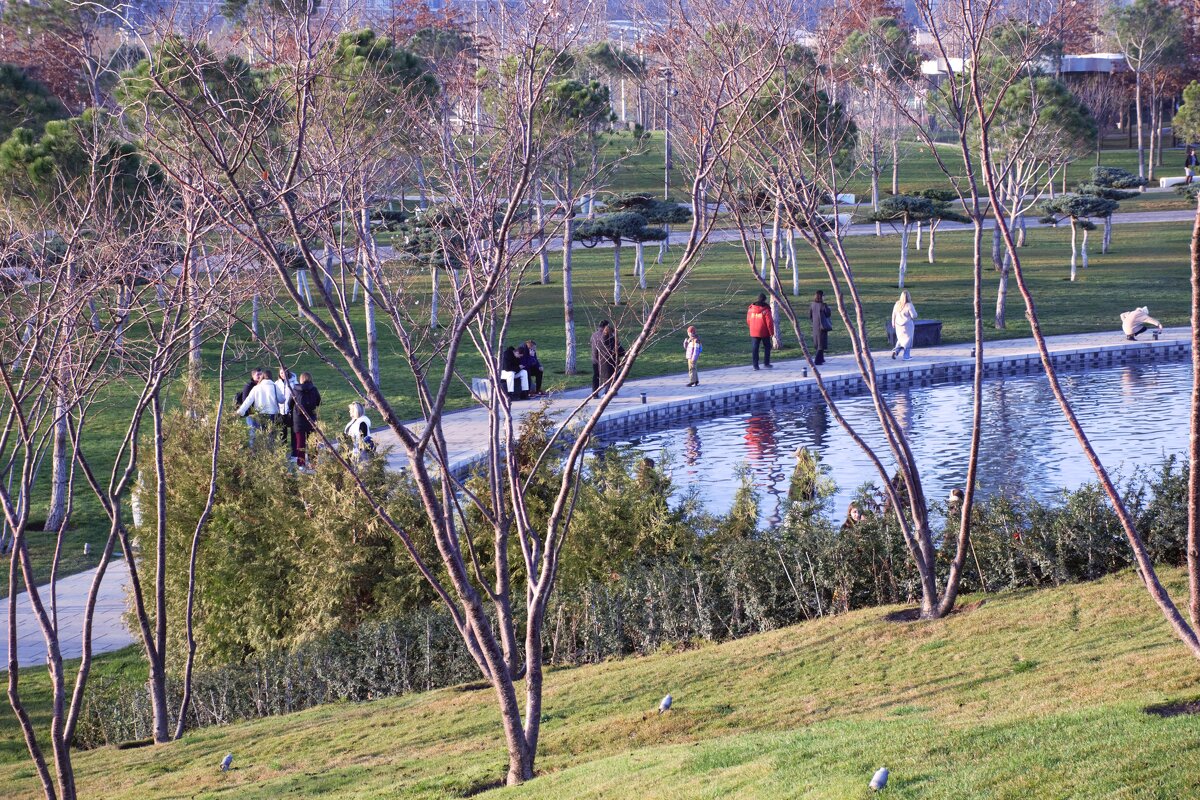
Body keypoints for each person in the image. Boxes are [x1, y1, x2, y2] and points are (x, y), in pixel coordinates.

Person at [236, 368, 282, 444]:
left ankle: (262, 453)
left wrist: (240, 411)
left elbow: (248, 400)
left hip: (259, 413)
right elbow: (246, 400)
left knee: (262, 435)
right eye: (258, 374)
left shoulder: (257, 387)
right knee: (262, 435)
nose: (260, 376)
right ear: (253, 375)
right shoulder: (272, 386)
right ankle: (261, 453)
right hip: (258, 414)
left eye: (261, 374)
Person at [291, 372, 321, 468]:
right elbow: (318, 402)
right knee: (312, 442)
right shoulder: (314, 389)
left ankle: (301, 463)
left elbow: (289, 403)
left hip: (298, 420)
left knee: (300, 443)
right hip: (311, 418)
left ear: (301, 379)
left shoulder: (295, 390)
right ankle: (313, 463)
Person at [746, 292, 774, 370]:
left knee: (755, 348)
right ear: (765, 300)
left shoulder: (751, 309)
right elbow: (769, 323)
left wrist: (751, 327)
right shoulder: (766, 310)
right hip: (764, 332)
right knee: (767, 347)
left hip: (754, 331)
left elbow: (748, 320)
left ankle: (755, 365)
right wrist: (771, 333)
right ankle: (766, 363)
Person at [274, 367, 300, 452]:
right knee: (282, 432)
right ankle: (283, 451)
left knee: (293, 432)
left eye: (284, 373)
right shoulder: (276, 383)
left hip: (291, 411)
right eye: (281, 373)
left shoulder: (294, 383)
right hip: (280, 412)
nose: (283, 375)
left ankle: (294, 452)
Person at [890, 290, 918, 361]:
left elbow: (894, 314)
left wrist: (893, 322)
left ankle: (895, 351)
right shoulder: (909, 305)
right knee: (908, 340)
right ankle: (906, 356)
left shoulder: (897, 304)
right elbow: (914, 315)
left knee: (900, 339)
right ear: (908, 296)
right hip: (907, 325)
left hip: (898, 325)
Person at [810, 290, 832, 365]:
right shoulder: (823, 305)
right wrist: (829, 308)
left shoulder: (812, 304)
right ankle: (817, 360)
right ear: (821, 296)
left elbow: (810, 316)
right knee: (821, 344)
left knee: (818, 343)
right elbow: (828, 314)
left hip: (815, 326)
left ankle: (822, 358)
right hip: (822, 327)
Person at [589, 320, 611, 392]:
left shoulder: (593, 335)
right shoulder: (606, 335)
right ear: (606, 326)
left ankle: (594, 392)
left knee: (596, 375)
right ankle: (608, 392)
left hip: (594, 358)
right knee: (609, 375)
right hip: (604, 359)